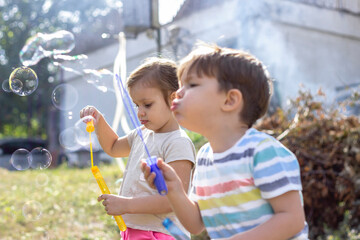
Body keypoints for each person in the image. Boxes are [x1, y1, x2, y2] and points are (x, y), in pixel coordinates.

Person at [141, 43, 309, 239]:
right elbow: (196, 224)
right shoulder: (204, 157)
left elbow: (292, 219)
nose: (178, 93)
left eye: (192, 85)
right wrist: (174, 190)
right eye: (180, 86)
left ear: (230, 100)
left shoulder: (262, 152)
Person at [80, 57, 196, 240]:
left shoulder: (177, 143)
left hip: (161, 233)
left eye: (147, 104)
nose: (140, 112)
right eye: (137, 105)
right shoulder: (141, 133)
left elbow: (173, 200)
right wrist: (99, 120)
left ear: (173, 98)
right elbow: (113, 146)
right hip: (134, 231)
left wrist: (126, 205)